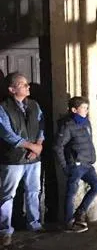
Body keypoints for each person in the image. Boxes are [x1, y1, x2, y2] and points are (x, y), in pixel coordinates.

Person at [0, 73, 44, 246]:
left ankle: (34, 223)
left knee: (33, 191)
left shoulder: (34, 104)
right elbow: (6, 133)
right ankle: (5, 230)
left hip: (34, 158)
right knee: (7, 195)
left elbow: (41, 125)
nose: (27, 87)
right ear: (12, 89)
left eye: (27, 84)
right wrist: (30, 146)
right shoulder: (3, 108)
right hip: (14, 159)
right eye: (23, 84)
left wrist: (39, 145)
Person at [53, 96, 97, 233]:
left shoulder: (86, 122)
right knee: (71, 193)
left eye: (87, 107)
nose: (86, 110)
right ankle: (68, 222)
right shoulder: (68, 126)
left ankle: (80, 212)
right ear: (74, 110)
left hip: (87, 163)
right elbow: (58, 147)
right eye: (83, 108)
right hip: (76, 165)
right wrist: (65, 166)